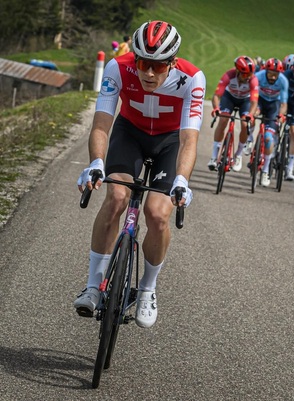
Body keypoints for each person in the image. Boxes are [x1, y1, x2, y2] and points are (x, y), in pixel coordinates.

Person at [74, 20, 206, 329]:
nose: (148, 73)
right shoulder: (118, 68)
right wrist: (96, 162)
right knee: (117, 196)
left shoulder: (191, 79)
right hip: (129, 132)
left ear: (172, 63)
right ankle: (93, 285)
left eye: (158, 67)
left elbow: (189, 139)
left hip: (170, 141)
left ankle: (147, 289)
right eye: (143, 63)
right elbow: (102, 125)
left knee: (158, 214)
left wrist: (182, 181)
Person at [208, 56, 259, 172]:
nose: (248, 77)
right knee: (223, 120)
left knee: (245, 125)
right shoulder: (229, 75)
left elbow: (254, 102)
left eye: (250, 74)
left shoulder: (253, 80)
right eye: (246, 75)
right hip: (229, 98)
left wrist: (250, 115)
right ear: (237, 71)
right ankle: (213, 157)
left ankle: (238, 155)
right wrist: (216, 108)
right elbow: (217, 95)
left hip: (245, 101)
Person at [253, 57, 288, 187]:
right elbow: (253, 97)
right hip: (260, 101)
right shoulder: (258, 76)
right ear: (266, 70)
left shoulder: (283, 81)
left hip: (274, 105)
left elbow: (284, 103)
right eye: (270, 73)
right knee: (251, 115)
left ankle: (265, 170)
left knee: (268, 138)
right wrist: (253, 111)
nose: (273, 77)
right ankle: (249, 139)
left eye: (276, 74)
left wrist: (281, 115)